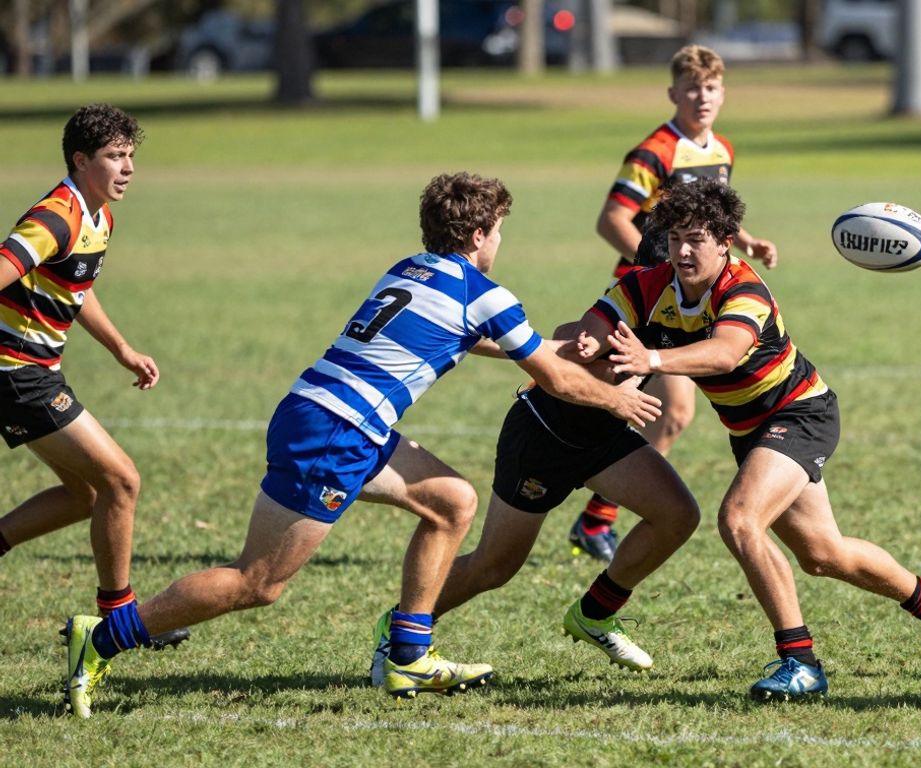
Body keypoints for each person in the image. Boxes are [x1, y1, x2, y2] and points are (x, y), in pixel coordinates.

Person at [60, 172, 663, 717]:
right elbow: (550, 377)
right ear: (480, 233)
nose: (501, 242)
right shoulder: (483, 291)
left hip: (326, 413)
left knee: (452, 501)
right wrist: (618, 399)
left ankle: (408, 655)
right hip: (335, 432)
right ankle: (107, 635)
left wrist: (568, 347)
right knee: (258, 582)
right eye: (500, 230)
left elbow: (489, 341)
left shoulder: (410, 269)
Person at [579, 179, 921, 700]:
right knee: (823, 555)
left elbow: (723, 353)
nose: (683, 251)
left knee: (739, 520)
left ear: (724, 242)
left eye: (696, 239)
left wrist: (648, 359)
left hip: (800, 413)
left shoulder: (744, 289)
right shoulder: (649, 284)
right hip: (750, 430)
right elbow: (596, 324)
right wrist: (587, 341)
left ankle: (800, 662)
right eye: (674, 239)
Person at [368, 340, 701, 684]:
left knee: (677, 514)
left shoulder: (708, 302)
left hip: (605, 436)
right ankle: (402, 627)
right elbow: (571, 333)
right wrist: (593, 352)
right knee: (494, 566)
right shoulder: (639, 291)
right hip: (546, 435)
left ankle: (595, 613)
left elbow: (723, 351)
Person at [569, 44, 779, 562]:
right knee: (646, 406)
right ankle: (589, 509)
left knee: (669, 412)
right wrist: (658, 269)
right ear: (673, 93)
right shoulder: (655, 152)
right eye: (691, 87)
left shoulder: (722, 149)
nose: (701, 97)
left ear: (723, 92)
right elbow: (612, 219)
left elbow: (710, 214)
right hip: (647, 301)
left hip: (691, 297)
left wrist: (745, 242)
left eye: (710, 88)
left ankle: (596, 517)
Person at [0, 104, 187, 651]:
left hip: (35, 370)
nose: (127, 168)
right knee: (121, 481)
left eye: (131, 156)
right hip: (17, 373)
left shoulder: (97, 213)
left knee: (84, 495)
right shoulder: (56, 216)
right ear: (81, 160)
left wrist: (122, 349)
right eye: (114, 156)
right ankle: (119, 619)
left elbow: (73, 289)